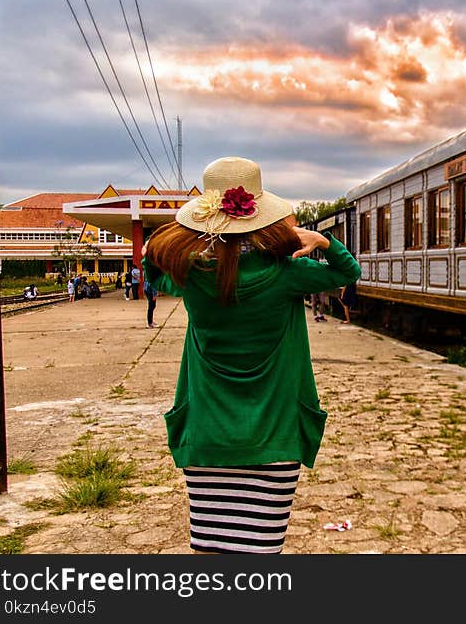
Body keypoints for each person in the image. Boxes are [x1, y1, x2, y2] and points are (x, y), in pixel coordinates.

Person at [141, 156, 360, 554]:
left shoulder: (192, 276)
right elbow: (347, 273)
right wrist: (324, 241)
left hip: (207, 436)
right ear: (263, 217)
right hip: (275, 437)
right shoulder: (289, 274)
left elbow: (151, 273)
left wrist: (178, 235)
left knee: (210, 548)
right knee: (261, 549)